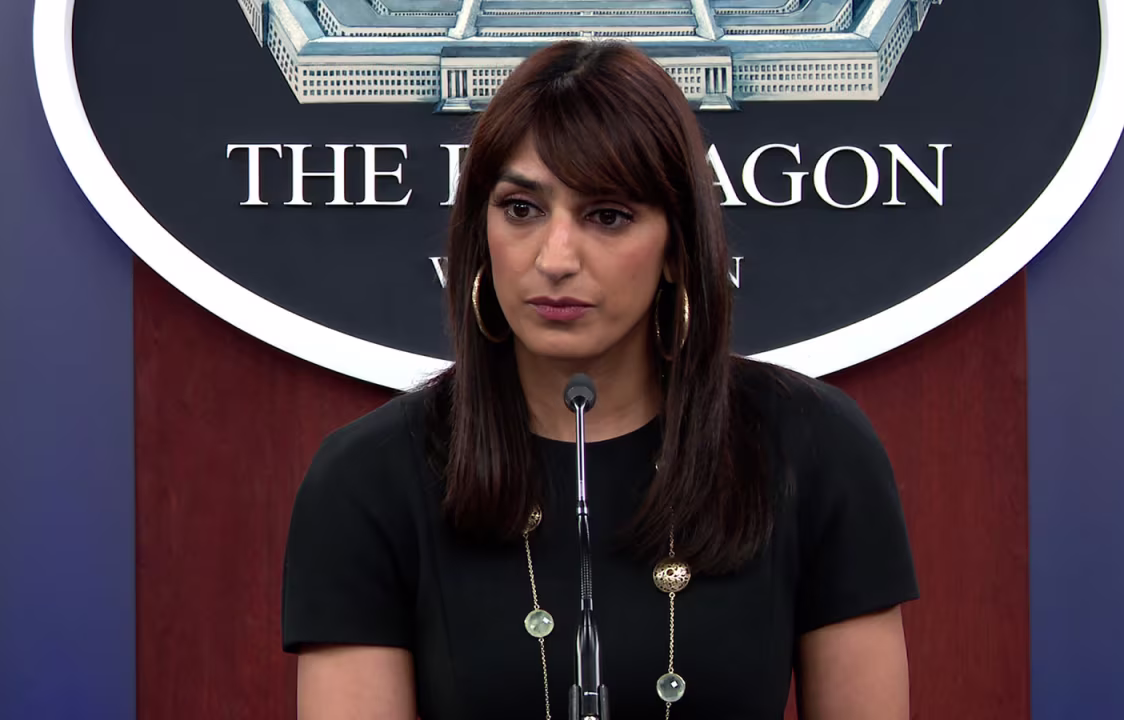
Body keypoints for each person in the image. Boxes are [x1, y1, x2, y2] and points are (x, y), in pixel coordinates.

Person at [281, 40, 918, 720]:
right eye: (522, 209)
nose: (555, 258)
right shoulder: (368, 477)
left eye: (607, 216)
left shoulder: (811, 448)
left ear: (677, 247)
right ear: (480, 230)